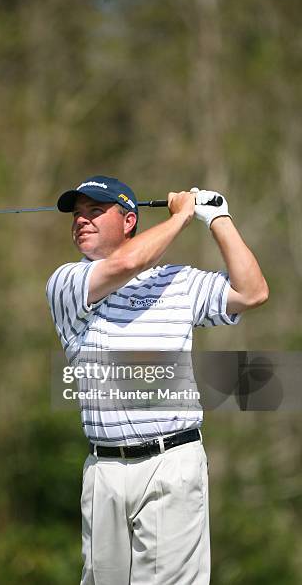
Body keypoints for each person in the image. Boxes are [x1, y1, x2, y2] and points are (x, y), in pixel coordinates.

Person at [46, 175, 269, 585]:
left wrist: (217, 217)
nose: (82, 222)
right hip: (105, 469)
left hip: (172, 461)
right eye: (77, 216)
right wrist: (183, 216)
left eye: (95, 212)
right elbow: (129, 263)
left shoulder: (178, 281)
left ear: (129, 221)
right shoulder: (66, 282)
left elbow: (252, 292)